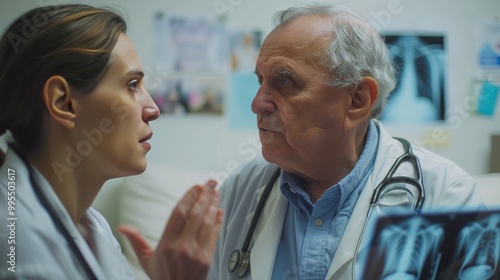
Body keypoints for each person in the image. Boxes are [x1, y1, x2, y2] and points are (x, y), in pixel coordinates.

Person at [207, 3, 484, 280]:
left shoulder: (447, 195)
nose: (257, 104)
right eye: (260, 81)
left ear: (357, 100)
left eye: (285, 81)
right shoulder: (242, 186)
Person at [0, 4, 222, 280]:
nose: (153, 109)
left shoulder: (95, 228)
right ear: (63, 102)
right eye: (132, 85)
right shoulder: (16, 241)